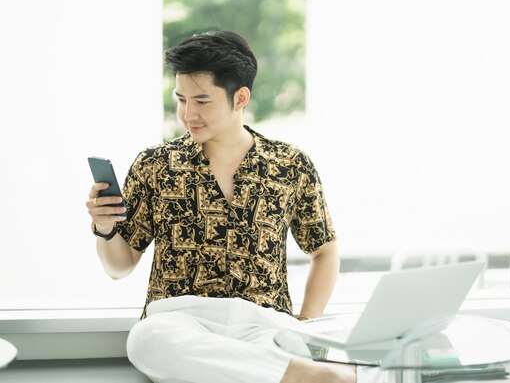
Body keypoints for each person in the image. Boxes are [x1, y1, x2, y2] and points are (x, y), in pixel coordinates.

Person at [86, 30, 379, 383]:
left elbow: (325, 251)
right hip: (180, 320)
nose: (187, 113)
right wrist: (105, 228)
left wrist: (304, 327)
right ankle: (307, 375)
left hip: (263, 324)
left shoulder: (290, 164)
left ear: (240, 97)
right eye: (181, 99)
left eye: (202, 101)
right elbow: (120, 267)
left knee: (280, 347)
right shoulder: (155, 165)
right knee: (145, 339)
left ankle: (294, 368)